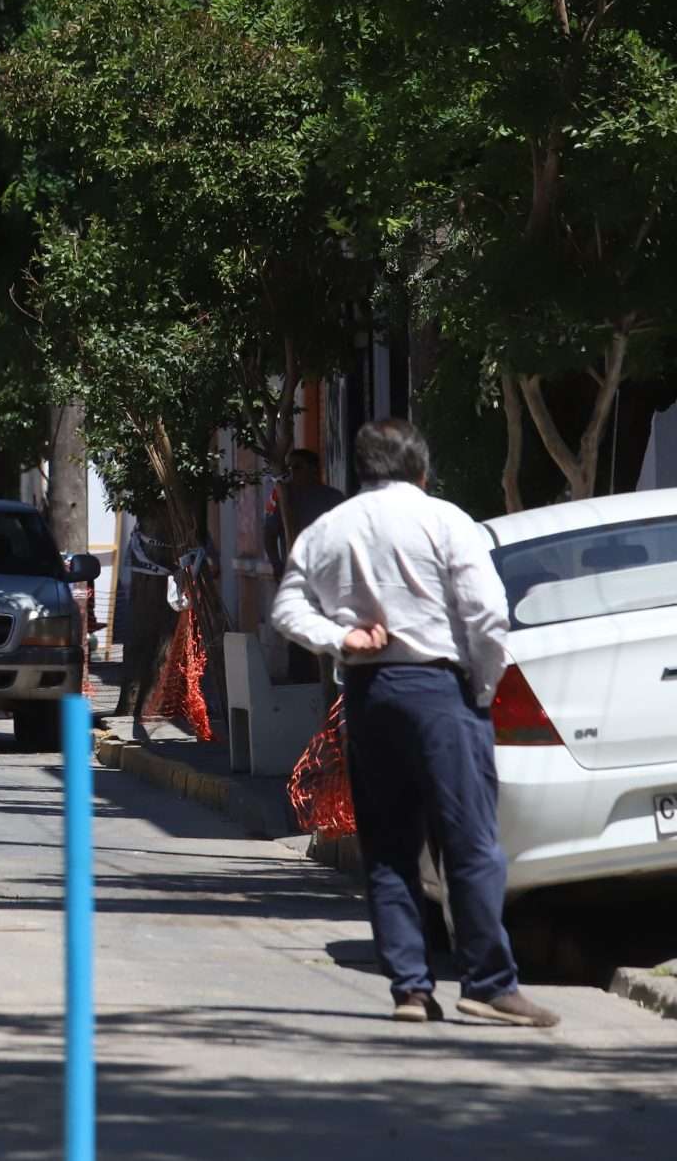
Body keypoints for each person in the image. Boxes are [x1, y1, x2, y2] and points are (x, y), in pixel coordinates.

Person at [271, 418, 558, 1028]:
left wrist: (341, 637)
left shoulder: (330, 528)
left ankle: (409, 988)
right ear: (422, 470)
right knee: (470, 841)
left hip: (370, 694)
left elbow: (287, 609)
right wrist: (481, 688)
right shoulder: (446, 520)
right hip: (441, 690)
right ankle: (488, 982)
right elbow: (487, 615)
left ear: (361, 470)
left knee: (388, 845)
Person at [264, 449, 346, 689]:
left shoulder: (333, 498)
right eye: (289, 468)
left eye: (298, 467)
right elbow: (269, 534)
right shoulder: (284, 498)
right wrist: (277, 564)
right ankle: (300, 683)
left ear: (313, 469)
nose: (292, 473)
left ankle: (331, 685)